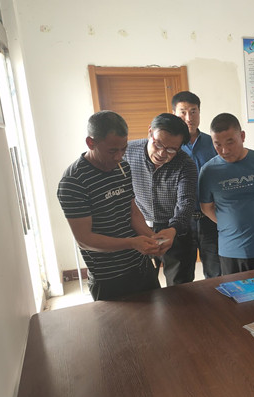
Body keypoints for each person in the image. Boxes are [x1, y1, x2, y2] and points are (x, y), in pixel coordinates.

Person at [57, 110, 170, 301]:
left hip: (141, 266)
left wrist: (152, 237)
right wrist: (132, 243)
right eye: (112, 151)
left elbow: (133, 212)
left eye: (123, 149)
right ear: (90, 143)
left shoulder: (122, 168)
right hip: (108, 278)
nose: (118, 157)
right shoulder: (74, 181)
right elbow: (84, 239)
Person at [125, 113, 197, 286]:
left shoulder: (185, 164)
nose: (161, 153)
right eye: (157, 144)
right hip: (138, 228)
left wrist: (173, 229)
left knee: (180, 288)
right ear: (150, 132)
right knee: (140, 287)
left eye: (171, 150)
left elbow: (186, 203)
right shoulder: (128, 152)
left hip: (175, 230)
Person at [198, 113, 254, 275]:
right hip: (230, 251)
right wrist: (229, 224)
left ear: (242, 136)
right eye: (217, 145)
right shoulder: (208, 171)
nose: (224, 150)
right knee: (236, 291)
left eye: (230, 142)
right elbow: (206, 207)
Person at [172, 91, 221, 280]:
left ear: (199, 112)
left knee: (216, 272)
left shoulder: (213, 143)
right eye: (183, 112)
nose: (188, 118)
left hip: (210, 217)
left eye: (193, 111)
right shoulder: (171, 146)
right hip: (181, 220)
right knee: (181, 275)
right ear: (174, 113)